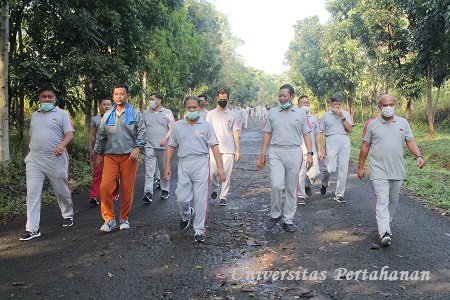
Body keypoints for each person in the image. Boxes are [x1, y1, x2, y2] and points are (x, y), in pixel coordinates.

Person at [357, 94, 424, 246]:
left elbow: (410, 141)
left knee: (392, 202)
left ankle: (385, 223)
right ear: (379, 107)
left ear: (396, 105)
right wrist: (360, 167)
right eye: (385, 105)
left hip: (397, 169)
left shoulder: (403, 123)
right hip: (379, 169)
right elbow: (365, 146)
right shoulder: (371, 124)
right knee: (382, 200)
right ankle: (384, 232)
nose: (388, 108)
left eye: (391, 104)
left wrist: (418, 155)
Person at [164, 96, 226, 242]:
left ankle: (199, 229)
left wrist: (220, 167)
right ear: (185, 109)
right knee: (181, 198)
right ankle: (186, 214)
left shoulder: (206, 125)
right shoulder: (178, 126)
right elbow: (171, 146)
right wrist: (167, 166)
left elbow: (215, 147)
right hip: (184, 163)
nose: (192, 110)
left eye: (194, 108)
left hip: (201, 163)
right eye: (189, 108)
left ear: (199, 108)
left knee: (200, 199)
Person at [20, 86, 75, 241]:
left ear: (54, 98)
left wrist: (62, 146)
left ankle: (68, 214)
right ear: (39, 98)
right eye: (43, 97)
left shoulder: (62, 114)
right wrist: (27, 155)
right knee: (32, 194)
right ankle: (32, 229)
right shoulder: (35, 116)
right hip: (35, 159)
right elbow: (31, 137)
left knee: (61, 190)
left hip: (55, 159)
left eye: (49, 97)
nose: (46, 99)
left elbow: (70, 133)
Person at [256, 84, 313, 233]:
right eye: (280, 95)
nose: (282, 98)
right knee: (276, 185)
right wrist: (262, 154)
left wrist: (310, 154)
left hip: (294, 152)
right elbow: (267, 133)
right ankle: (275, 215)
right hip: (276, 151)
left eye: (285, 96)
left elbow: (307, 134)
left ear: (292, 97)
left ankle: (288, 220)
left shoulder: (301, 114)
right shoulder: (273, 113)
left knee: (291, 187)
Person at [94, 83, 145, 232]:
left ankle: (124, 218)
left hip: (129, 156)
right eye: (116, 94)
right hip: (110, 155)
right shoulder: (107, 115)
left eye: (122, 94)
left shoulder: (135, 114)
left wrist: (137, 148)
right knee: (105, 187)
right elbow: (101, 135)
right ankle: (109, 219)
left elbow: (142, 131)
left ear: (127, 96)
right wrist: (98, 153)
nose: (119, 96)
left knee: (127, 188)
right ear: (113, 96)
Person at [206, 88, 241, 206]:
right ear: (217, 99)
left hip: (228, 148)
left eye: (224, 99)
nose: (222, 101)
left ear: (228, 99)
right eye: (220, 99)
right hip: (213, 148)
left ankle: (223, 196)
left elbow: (236, 133)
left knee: (226, 173)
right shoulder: (210, 114)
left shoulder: (233, 115)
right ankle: (215, 188)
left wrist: (237, 150)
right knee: (213, 172)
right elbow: (206, 132)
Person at [319, 93, 354, 203]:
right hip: (331, 139)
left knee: (343, 169)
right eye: (335, 104)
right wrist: (321, 147)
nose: (337, 106)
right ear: (331, 104)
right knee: (330, 168)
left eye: (339, 104)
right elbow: (320, 131)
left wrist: (342, 117)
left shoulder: (346, 114)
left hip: (344, 139)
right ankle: (324, 183)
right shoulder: (326, 115)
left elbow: (350, 129)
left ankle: (339, 194)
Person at [142, 93, 174, 203]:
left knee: (163, 169)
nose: (150, 101)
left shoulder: (167, 113)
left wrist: (166, 138)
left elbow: (171, 128)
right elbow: (142, 129)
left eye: (152, 99)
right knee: (149, 170)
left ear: (159, 100)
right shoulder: (146, 113)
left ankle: (165, 190)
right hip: (149, 145)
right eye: (150, 99)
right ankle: (148, 193)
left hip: (163, 147)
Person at [89, 99, 119, 207]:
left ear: (112, 106)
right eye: (104, 104)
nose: (106, 106)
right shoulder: (96, 119)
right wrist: (92, 149)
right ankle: (94, 196)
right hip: (99, 150)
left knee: (113, 173)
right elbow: (93, 135)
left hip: (112, 150)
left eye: (108, 104)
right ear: (100, 106)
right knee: (97, 173)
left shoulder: (117, 118)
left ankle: (114, 193)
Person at [297, 95, 324, 205]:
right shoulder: (295, 118)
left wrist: (320, 149)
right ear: (298, 105)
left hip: (311, 150)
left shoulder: (313, 118)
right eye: (303, 103)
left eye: (307, 103)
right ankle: (301, 196)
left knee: (314, 173)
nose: (305, 105)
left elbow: (318, 134)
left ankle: (307, 185)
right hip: (298, 149)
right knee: (300, 174)